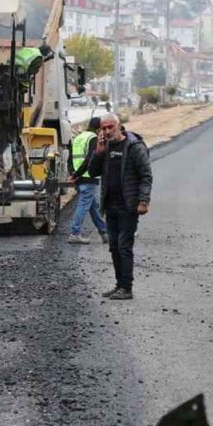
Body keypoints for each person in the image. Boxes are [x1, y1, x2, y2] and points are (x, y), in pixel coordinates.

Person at [87, 114, 152, 300]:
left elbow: (146, 175)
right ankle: (119, 285)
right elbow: (93, 172)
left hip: (129, 206)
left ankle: (127, 288)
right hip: (110, 205)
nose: (107, 131)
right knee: (114, 247)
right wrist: (98, 152)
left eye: (110, 127)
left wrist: (143, 201)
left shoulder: (134, 147)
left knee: (124, 246)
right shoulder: (105, 147)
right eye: (103, 128)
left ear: (119, 126)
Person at [68, 117, 109, 245]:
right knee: (83, 205)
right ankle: (74, 233)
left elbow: (70, 159)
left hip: (80, 177)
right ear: (98, 129)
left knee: (93, 207)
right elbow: (90, 159)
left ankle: (104, 232)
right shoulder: (93, 138)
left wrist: (73, 174)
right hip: (88, 176)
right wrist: (77, 174)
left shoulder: (78, 138)